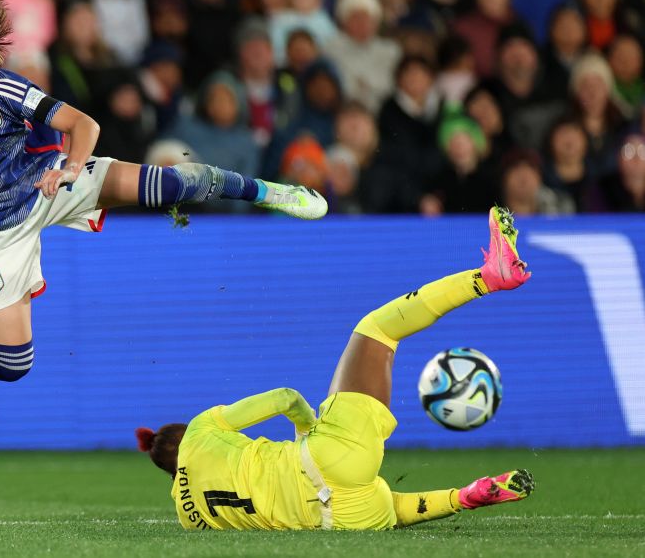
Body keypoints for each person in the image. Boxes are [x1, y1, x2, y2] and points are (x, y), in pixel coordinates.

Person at [0, 0, 326, 386]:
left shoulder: (7, 87)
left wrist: (71, 169)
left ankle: (269, 193)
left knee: (168, 184)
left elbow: (84, 124)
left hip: (47, 183)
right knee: (9, 366)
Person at [136, 206, 535, 531]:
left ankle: (468, 496)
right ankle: (488, 277)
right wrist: (309, 428)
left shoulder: (190, 519)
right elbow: (285, 398)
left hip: (335, 520)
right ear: (184, 433)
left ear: (172, 477)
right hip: (323, 456)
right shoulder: (202, 429)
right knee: (376, 330)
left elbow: (387, 510)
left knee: (392, 509)